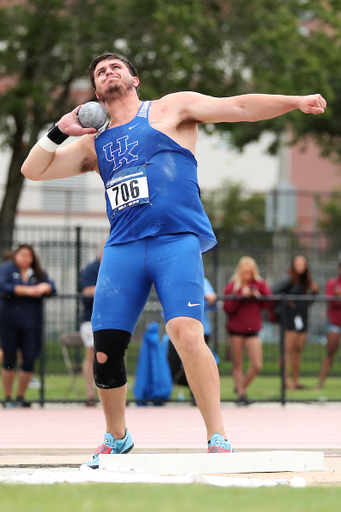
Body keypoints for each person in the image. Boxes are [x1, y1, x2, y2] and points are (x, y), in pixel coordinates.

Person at [21, 52, 326, 465]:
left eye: (116, 67)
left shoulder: (171, 108)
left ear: (135, 78)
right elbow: (33, 170)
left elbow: (237, 106)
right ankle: (117, 437)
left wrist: (293, 100)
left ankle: (217, 435)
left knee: (185, 333)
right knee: (106, 349)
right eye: (99, 72)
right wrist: (60, 129)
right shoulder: (93, 143)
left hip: (174, 242)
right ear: (95, 91)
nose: (108, 72)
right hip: (123, 249)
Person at [0, 245, 56, 407]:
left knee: (29, 359)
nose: (26, 258)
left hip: (32, 323)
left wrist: (45, 287)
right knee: (9, 359)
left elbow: (52, 288)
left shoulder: (37, 273)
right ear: (16, 255)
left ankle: (20, 397)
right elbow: (3, 286)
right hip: (9, 322)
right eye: (22, 255)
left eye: (29, 256)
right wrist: (27, 290)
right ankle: (8, 398)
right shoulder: (7, 269)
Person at [223, 257, 272, 405]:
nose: (247, 275)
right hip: (235, 329)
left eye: (249, 272)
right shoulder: (233, 286)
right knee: (237, 363)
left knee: (257, 364)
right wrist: (240, 296)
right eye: (244, 272)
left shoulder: (259, 284)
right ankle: (242, 396)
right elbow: (227, 308)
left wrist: (257, 296)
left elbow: (269, 304)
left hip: (253, 329)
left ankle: (240, 387)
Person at [271, 255, 319, 390]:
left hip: (302, 319)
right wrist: (286, 300)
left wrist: (314, 293)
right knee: (287, 350)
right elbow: (272, 291)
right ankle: (285, 381)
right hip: (289, 318)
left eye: (303, 263)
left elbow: (306, 304)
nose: (300, 265)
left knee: (298, 350)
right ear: (293, 264)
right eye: (297, 263)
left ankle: (296, 380)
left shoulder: (306, 282)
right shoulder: (288, 279)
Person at [79, 244, 104, 406]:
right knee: (91, 355)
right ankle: (90, 394)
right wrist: (107, 289)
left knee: (115, 354)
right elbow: (87, 291)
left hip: (110, 319)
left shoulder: (116, 268)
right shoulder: (91, 269)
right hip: (91, 319)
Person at [317, 263, 341, 389]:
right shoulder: (332, 283)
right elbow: (330, 301)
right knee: (330, 352)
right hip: (335, 323)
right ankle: (321, 382)